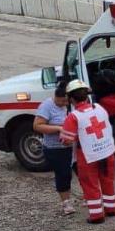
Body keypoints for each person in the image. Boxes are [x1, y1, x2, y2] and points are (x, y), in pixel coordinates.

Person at [59, 80, 115, 225]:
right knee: (107, 180)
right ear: (87, 96)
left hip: (87, 156)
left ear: (71, 99)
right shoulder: (99, 108)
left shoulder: (73, 117)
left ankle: (97, 215)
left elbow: (67, 140)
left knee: (90, 184)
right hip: (107, 151)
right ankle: (111, 209)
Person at [34, 80, 76, 215]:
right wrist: (59, 128)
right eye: (60, 102)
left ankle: (89, 197)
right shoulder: (47, 106)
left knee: (79, 172)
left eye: (65, 102)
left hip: (72, 146)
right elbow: (37, 126)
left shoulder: (71, 104)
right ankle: (66, 203)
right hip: (55, 148)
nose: (63, 104)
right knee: (63, 174)